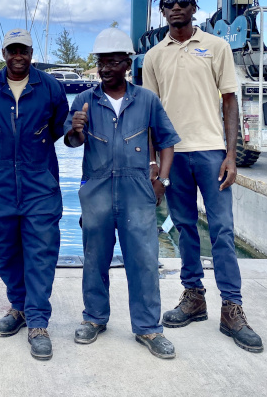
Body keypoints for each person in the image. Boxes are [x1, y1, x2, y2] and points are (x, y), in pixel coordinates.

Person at [142, 0, 264, 353]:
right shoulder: (153, 57)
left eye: (183, 2)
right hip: (173, 156)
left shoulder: (217, 47)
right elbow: (150, 114)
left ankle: (232, 307)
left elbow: (230, 101)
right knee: (184, 228)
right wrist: (153, 163)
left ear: (194, 8)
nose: (176, 8)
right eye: (169, 4)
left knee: (223, 231)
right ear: (162, 11)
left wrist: (232, 154)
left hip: (212, 153)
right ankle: (193, 296)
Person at [64, 27, 180, 359]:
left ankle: (148, 328)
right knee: (94, 260)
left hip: (137, 192)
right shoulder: (84, 101)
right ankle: (94, 319)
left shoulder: (146, 100)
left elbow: (168, 141)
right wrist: (76, 130)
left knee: (143, 261)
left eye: (112, 62)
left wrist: (163, 182)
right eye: (101, 62)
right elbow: (72, 144)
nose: (104, 69)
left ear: (126, 63)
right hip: (97, 191)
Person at [0, 29, 69, 361]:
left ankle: (38, 321)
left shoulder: (51, 88)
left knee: (41, 252)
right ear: (3, 53)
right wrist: (5, 157)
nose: (18, 56)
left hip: (40, 183)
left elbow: (59, 129)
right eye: (12, 50)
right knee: (4, 247)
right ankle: (19, 306)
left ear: (31, 52)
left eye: (23, 50)